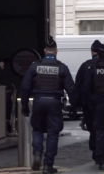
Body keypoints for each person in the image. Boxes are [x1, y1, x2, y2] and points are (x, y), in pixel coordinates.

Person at [21, 36, 76, 174]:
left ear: (45, 51)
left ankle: (37, 152)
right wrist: (75, 106)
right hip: (54, 102)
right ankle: (48, 165)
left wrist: (24, 105)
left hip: (39, 101)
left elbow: (25, 86)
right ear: (56, 51)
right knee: (53, 133)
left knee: (38, 129)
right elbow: (71, 88)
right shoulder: (62, 67)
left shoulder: (35, 66)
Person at [73, 40, 101, 164]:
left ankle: (96, 150)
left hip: (89, 104)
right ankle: (102, 151)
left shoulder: (85, 65)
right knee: (103, 129)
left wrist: (76, 105)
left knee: (93, 129)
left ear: (91, 52)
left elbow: (78, 86)